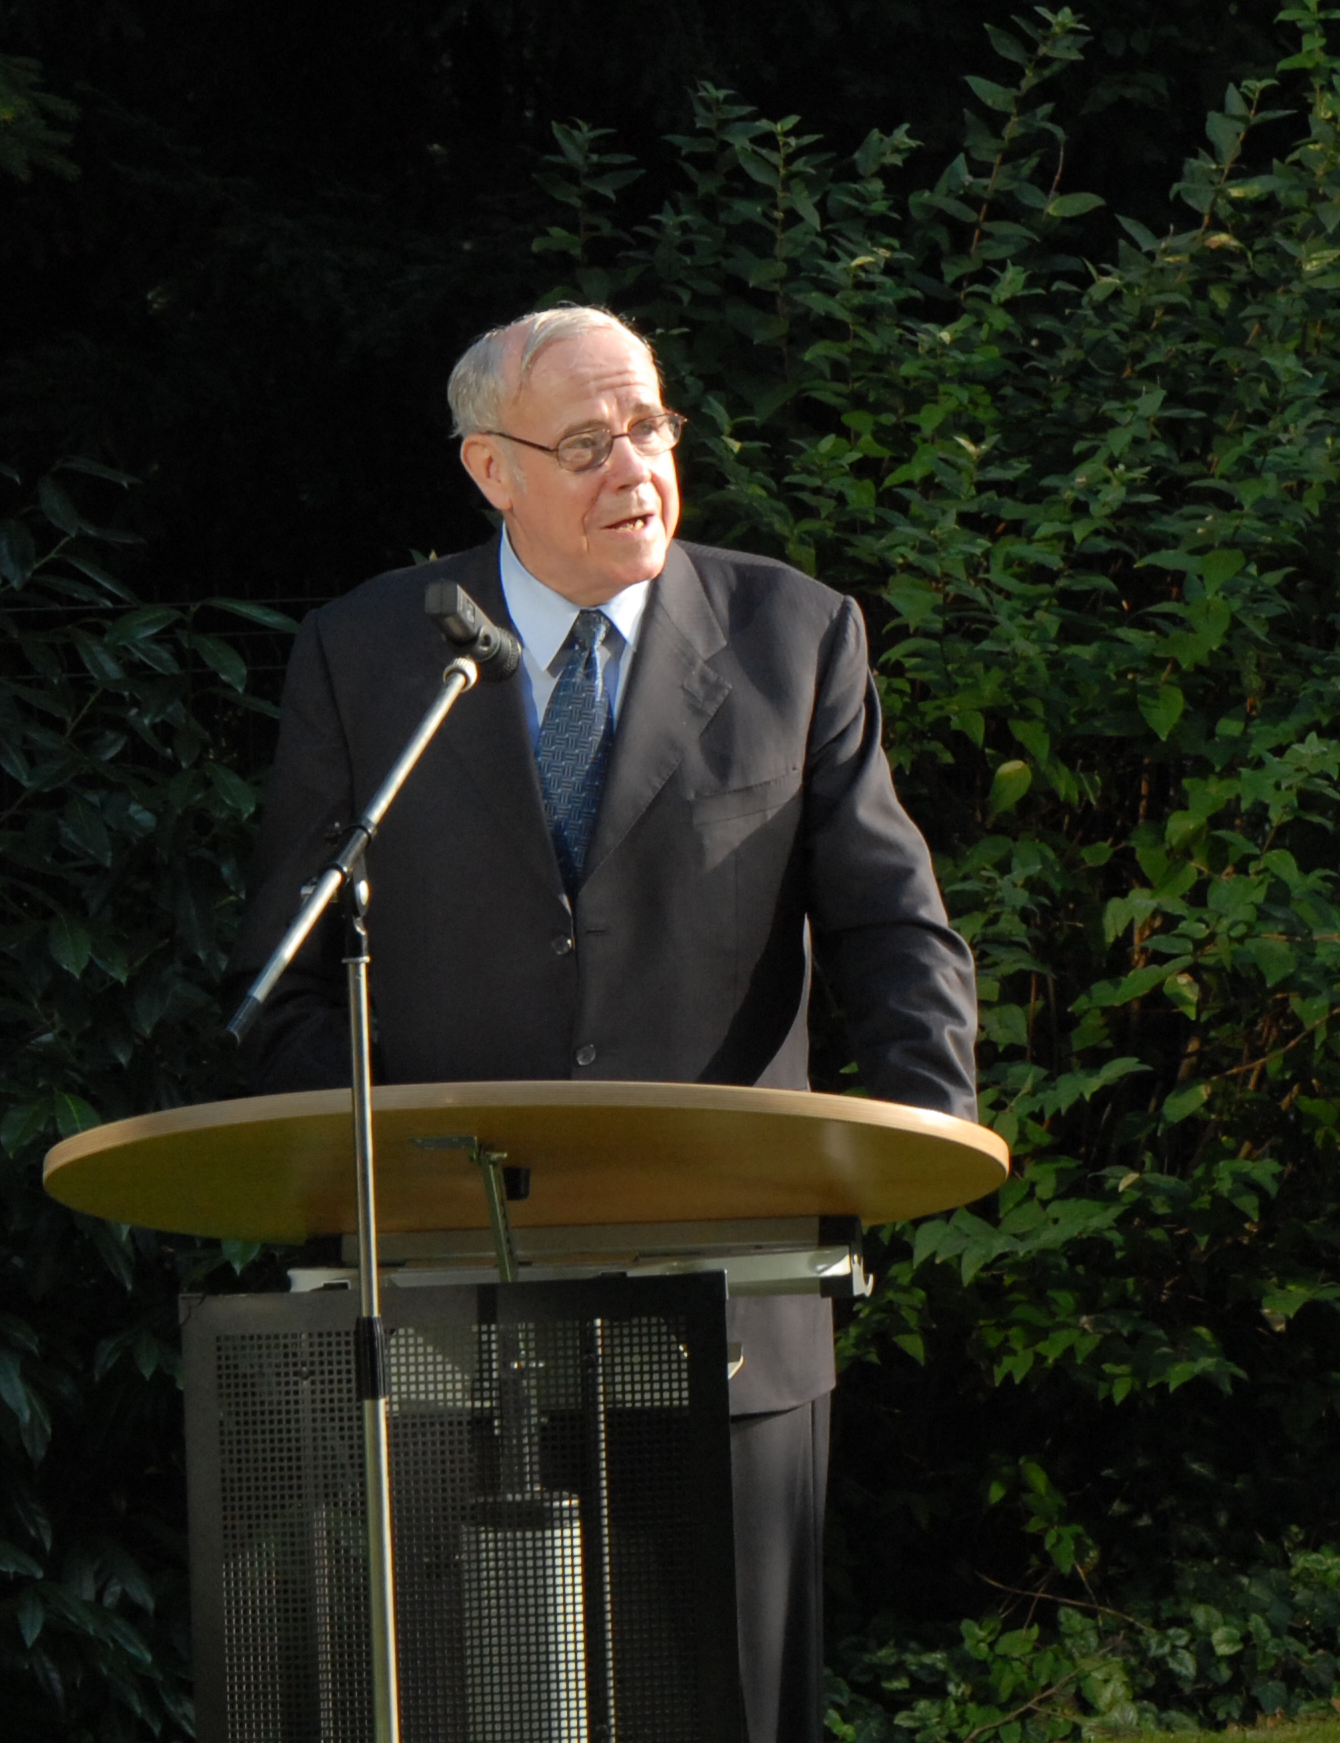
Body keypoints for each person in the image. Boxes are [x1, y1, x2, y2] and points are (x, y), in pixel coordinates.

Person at [225, 304, 976, 1743]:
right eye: (585, 442)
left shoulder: (794, 634)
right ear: (489, 470)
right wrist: (381, 1192)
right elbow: (294, 973)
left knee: (730, 1710)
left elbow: (891, 922)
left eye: (649, 427)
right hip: (453, 1308)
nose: (634, 464)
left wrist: (919, 1131)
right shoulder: (375, 656)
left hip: (729, 1302)